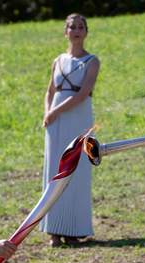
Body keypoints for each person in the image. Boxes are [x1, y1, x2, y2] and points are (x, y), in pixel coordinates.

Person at [39, 13, 100, 247]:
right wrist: (48, 111)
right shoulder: (58, 60)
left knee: (77, 170)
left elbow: (84, 93)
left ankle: (73, 229)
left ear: (86, 32)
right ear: (66, 32)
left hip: (78, 118)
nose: (76, 31)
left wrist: (56, 111)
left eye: (80, 27)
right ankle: (54, 230)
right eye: (72, 27)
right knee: (55, 170)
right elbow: (50, 91)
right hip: (55, 122)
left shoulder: (92, 61)